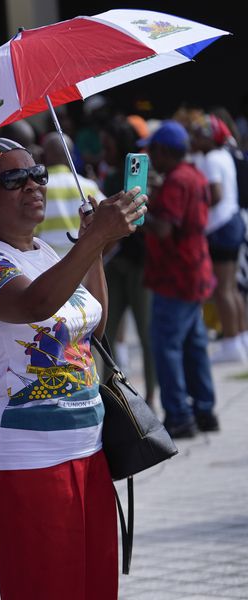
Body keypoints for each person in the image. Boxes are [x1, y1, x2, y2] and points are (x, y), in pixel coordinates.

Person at [0, 137, 145, 599]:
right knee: (48, 588)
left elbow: (92, 324)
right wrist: (94, 238)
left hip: (87, 446)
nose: (33, 185)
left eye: (37, 174)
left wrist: (94, 244)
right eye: (13, 179)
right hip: (25, 455)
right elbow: (36, 304)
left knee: (94, 586)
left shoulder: (45, 253)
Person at [143, 120, 220, 438]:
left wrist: (139, 210)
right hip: (195, 271)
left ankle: (178, 416)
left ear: (162, 151)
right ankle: (204, 410)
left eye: (153, 151)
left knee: (168, 347)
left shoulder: (176, 181)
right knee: (194, 345)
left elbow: (164, 228)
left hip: (175, 276)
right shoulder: (193, 175)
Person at [100, 116, 156, 404]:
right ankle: (111, 398)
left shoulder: (145, 174)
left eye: (107, 146)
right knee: (105, 336)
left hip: (139, 264)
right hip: (115, 263)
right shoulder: (108, 175)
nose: (103, 152)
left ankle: (152, 397)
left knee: (147, 334)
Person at [190, 113, 247, 362]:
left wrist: (195, 206)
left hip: (220, 227)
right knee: (232, 287)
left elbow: (216, 194)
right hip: (231, 223)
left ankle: (231, 343)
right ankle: (240, 338)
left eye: (198, 134)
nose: (193, 138)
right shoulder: (223, 154)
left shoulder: (212, 158)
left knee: (223, 289)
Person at [35, 133, 105, 257]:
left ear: (42, 157)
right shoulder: (89, 186)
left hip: (47, 264)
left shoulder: (37, 189)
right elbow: (107, 221)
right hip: (83, 263)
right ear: (71, 157)